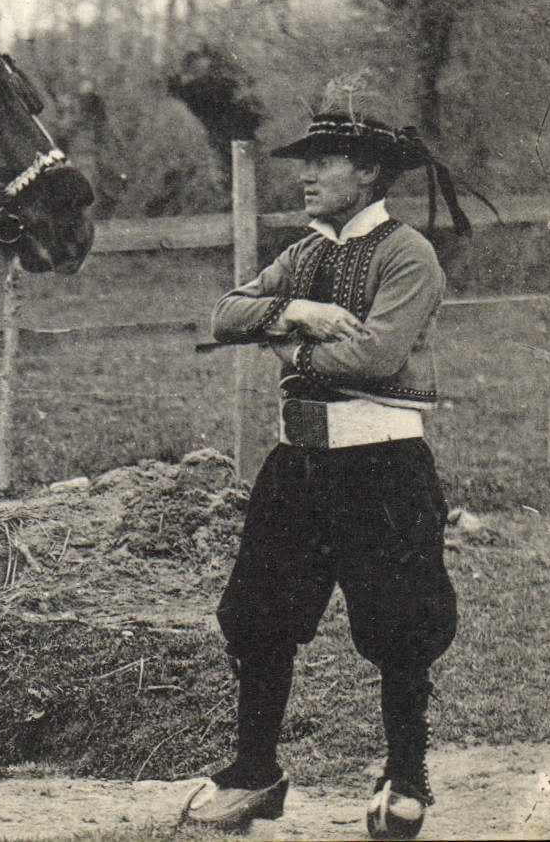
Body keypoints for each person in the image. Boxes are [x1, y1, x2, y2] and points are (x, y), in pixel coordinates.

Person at [183, 109, 467, 840]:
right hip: (296, 467)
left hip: (383, 469)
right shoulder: (303, 255)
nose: (306, 174)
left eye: (325, 160)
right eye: (304, 161)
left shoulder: (408, 255)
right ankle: (254, 773)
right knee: (257, 617)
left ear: (369, 171)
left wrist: (283, 349)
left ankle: (406, 776)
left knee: (399, 624)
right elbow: (223, 313)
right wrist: (297, 311)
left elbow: (375, 357)